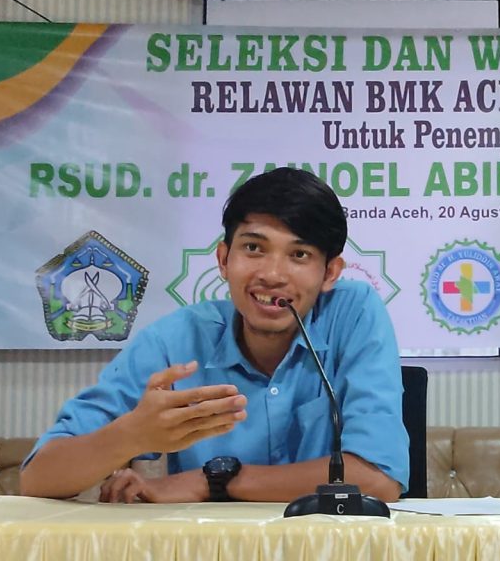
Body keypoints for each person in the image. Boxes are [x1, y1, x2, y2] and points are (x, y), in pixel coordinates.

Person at [20, 167, 409, 504]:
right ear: (223, 260)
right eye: (254, 247)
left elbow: (378, 478)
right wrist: (131, 435)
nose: (272, 275)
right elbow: (38, 478)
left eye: (299, 255)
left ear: (330, 273)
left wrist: (212, 481)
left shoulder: (353, 313)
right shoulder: (175, 340)